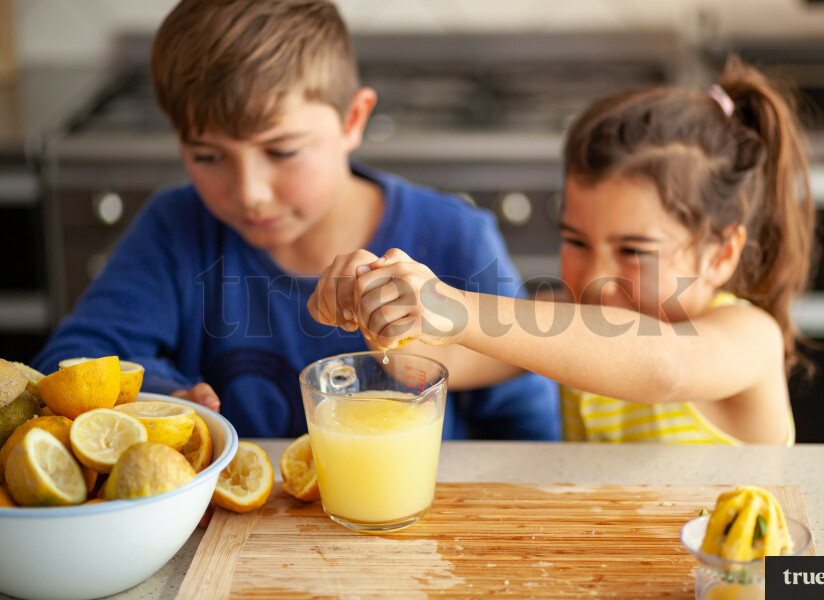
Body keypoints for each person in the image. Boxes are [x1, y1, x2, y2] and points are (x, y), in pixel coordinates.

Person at [30, 0, 559, 441]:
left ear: (353, 120)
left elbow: (529, 430)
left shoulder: (455, 237)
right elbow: (70, 367)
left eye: (281, 151)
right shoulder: (174, 230)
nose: (250, 193)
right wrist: (167, 396)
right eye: (208, 157)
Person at [311, 56, 817, 445]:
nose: (595, 272)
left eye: (633, 250)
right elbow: (424, 363)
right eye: (576, 239)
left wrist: (454, 308)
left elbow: (665, 366)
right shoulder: (566, 319)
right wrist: (376, 301)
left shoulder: (751, 338)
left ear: (721, 253)